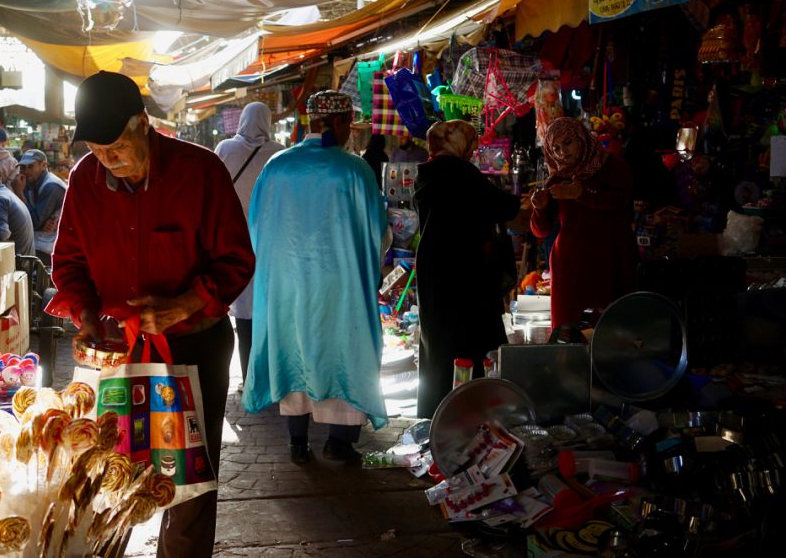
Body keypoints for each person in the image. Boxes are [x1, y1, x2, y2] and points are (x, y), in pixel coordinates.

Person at [46, 71, 254, 558]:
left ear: (143, 123)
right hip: (118, 350)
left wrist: (185, 303)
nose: (107, 159)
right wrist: (86, 315)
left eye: (117, 146)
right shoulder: (85, 179)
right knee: (108, 469)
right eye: (96, 149)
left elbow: (237, 260)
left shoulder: (199, 171)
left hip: (194, 346)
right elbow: (69, 263)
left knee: (189, 478)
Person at [244, 90, 388, 465]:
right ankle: (339, 442)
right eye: (350, 124)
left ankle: (297, 440)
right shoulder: (354, 169)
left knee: (293, 349)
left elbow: (257, 227)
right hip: (340, 286)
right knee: (344, 351)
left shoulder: (276, 166)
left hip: (287, 284)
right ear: (338, 122)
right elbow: (377, 230)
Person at [414, 120, 521, 418]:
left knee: (437, 341)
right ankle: (470, 411)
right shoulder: (461, 173)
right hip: (464, 270)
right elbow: (505, 206)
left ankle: (435, 412)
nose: (473, 149)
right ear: (456, 143)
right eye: (471, 142)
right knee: (471, 340)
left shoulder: (426, 173)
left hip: (433, 268)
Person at [531, 118, 636, 329]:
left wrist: (582, 193)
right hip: (570, 267)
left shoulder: (612, 167)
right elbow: (541, 231)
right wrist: (540, 209)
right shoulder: (557, 179)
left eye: (567, 143)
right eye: (555, 148)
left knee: (611, 330)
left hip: (610, 259)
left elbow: (621, 203)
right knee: (570, 333)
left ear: (581, 139)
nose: (562, 152)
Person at [214, 101, 284, 388]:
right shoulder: (278, 153)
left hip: (233, 242)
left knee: (243, 314)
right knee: (269, 312)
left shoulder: (225, 149)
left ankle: (249, 378)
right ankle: (271, 377)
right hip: (270, 244)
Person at [12, 149, 66, 262]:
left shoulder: (52, 186)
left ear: (43, 165)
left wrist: (19, 193)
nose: (26, 171)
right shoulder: (28, 182)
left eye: (31, 166)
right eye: (23, 167)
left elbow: (35, 221)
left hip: (49, 247)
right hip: (40, 241)